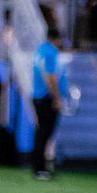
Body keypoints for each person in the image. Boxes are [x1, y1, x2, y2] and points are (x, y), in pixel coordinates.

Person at [31, 27, 65, 181]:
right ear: (57, 39)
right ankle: (40, 167)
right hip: (46, 98)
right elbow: (50, 77)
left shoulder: (40, 51)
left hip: (39, 96)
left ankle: (39, 166)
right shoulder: (50, 53)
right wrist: (56, 97)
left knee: (41, 133)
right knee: (45, 133)